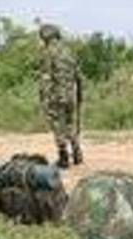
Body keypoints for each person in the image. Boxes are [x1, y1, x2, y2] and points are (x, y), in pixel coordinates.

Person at [38, 24, 82, 169]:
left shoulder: (49, 52)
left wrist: (43, 98)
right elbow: (78, 76)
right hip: (70, 95)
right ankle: (77, 153)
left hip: (56, 96)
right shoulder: (68, 52)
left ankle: (63, 157)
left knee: (58, 126)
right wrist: (79, 95)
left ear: (45, 37)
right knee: (70, 124)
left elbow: (46, 77)